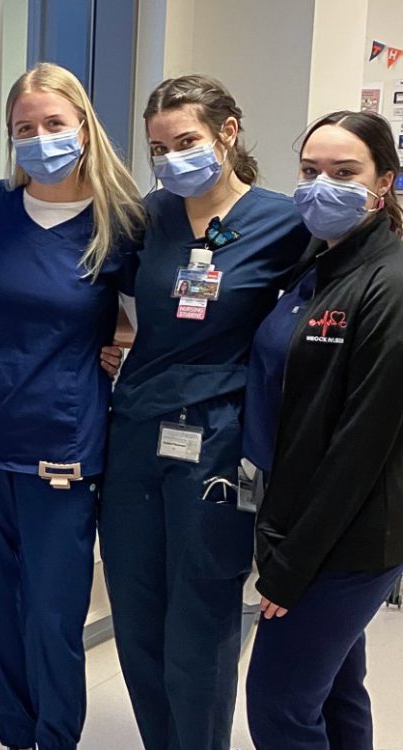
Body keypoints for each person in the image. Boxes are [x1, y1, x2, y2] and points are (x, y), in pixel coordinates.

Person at [99, 75, 308, 750]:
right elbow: (112, 291)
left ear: (228, 132)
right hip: (134, 433)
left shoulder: (284, 222)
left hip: (216, 440)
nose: (170, 159)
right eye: (158, 147)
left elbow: (321, 313)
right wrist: (117, 336)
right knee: (136, 615)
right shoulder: (149, 216)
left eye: (185, 141)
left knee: (201, 616)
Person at [0, 62, 143, 750]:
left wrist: (126, 342)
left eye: (53, 125)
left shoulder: (120, 220)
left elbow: (151, 319)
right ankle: (13, 734)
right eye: (23, 129)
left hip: (61, 440)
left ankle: (56, 737)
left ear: (85, 127)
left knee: (52, 614)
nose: (39, 140)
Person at [243, 110, 403, 750]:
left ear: (384, 181)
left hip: (346, 540)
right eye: (309, 172)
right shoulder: (318, 263)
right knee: (337, 692)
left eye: (344, 173)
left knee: (279, 707)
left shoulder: (388, 283)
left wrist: (290, 568)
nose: (320, 187)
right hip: (301, 517)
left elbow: (360, 449)